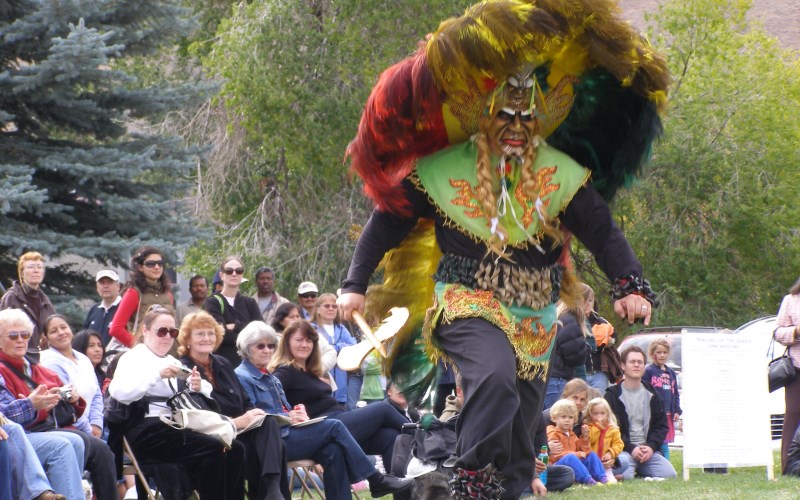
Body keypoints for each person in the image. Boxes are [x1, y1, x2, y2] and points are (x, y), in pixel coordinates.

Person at [336, 2, 667, 496]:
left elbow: (601, 228)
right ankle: (467, 476)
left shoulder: (559, 175)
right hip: (467, 302)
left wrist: (628, 284)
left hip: (535, 313)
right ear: (485, 114)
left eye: (525, 116)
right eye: (505, 115)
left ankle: (500, 487)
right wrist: (354, 284)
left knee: (520, 428)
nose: (515, 126)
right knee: (493, 378)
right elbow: (387, 222)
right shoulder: (443, 171)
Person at [234, 321, 414, 499]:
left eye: (271, 345)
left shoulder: (271, 377)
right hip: (273, 443)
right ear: (248, 348)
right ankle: (380, 475)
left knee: (339, 448)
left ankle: (400, 492)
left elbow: (284, 410)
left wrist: (297, 414)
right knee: (377, 410)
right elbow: (255, 417)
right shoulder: (248, 376)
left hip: (294, 432)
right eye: (260, 346)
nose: (267, 350)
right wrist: (289, 416)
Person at [108, 305, 244, 499]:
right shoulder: (133, 357)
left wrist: (197, 386)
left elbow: (207, 390)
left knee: (235, 449)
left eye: (172, 332)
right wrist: (157, 375)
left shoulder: (171, 360)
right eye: (162, 331)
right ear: (145, 331)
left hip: (174, 425)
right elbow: (119, 392)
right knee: (213, 449)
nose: (167, 337)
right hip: (144, 430)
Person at [0, 309, 118, 500]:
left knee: (80, 443)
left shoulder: (33, 366)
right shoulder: (5, 369)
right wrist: (32, 404)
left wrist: (69, 397)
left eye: (25, 335)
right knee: (64, 446)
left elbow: (91, 395)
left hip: (46, 429)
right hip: (23, 434)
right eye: (13, 336)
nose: (20, 340)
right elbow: (5, 418)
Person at [177, 312, 290, 500]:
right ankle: (272, 491)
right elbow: (199, 415)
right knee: (270, 446)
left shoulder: (223, 363)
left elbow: (244, 401)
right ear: (187, 339)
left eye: (211, 333)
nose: (207, 338)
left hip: (242, 431)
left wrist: (252, 414)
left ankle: (272, 489)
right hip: (215, 437)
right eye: (200, 334)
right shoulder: (183, 369)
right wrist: (236, 421)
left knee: (268, 424)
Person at [270, 321, 410, 468]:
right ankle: (421, 435)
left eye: (309, 340)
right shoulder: (285, 372)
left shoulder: (310, 371)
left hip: (340, 422)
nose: (304, 345)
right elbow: (269, 400)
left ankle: (402, 489)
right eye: (299, 340)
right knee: (383, 408)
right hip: (324, 428)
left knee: (389, 437)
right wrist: (289, 416)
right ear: (287, 343)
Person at [604, 346, 676, 480]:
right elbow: (610, 429)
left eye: (640, 362)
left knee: (670, 475)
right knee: (625, 476)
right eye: (632, 362)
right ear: (623, 366)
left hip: (647, 451)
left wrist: (651, 447)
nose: (636, 365)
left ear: (644, 366)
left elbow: (661, 427)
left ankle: (642, 469)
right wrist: (631, 448)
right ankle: (632, 470)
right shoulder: (611, 396)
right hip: (624, 450)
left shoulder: (654, 394)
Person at [39, 316, 104, 438]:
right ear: (47, 339)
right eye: (54, 331)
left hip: (91, 428)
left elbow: (96, 394)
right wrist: (88, 430)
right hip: (69, 429)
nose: (61, 333)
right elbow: (66, 404)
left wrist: (96, 424)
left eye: (64, 327)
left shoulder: (83, 359)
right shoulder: (50, 362)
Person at [107, 246, 175, 357]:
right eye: (150, 264)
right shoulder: (134, 293)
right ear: (140, 267)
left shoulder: (168, 294)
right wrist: (140, 348)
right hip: (143, 357)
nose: (157, 267)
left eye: (160, 263)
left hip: (167, 355)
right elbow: (116, 328)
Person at [204, 256, 261, 366]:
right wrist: (248, 333)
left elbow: (260, 334)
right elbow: (221, 336)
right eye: (229, 271)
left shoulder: (250, 303)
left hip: (250, 366)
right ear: (222, 275)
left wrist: (236, 326)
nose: (234, 274)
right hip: (223, 365)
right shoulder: (213, 302)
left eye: (238, 271)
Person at [0, 252, 56, 358]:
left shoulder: (46, 301)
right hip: (20, 357)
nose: (36, 271)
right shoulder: (11, 298)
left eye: (39, 267)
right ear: (21, 273)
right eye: (31, 267)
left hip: (44, 358)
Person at [1, 417, 71, 500]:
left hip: (29, 431)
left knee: (77, 442)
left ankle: (39, 492)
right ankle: (37, 493)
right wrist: (30, 405)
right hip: (20, 432)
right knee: (61, 447)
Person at [544, 287, 591, 409]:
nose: (589, 306)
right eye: (588, 301)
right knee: (558, 419)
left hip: (548, 377)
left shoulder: (558, 317)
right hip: (557, 380)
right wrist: (585, 348)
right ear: (581, 301)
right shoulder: (569, 320)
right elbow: (575, 356)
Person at [546, 399, 607, 485]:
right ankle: (588, 481)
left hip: (572, 463)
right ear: (554, 418)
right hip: (557, 465)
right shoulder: (552, 433)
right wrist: (577, 454)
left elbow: (585, 452)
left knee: (592, 454)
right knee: (571, 457)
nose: (567, 420)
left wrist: (585, 437)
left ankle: (603, 478)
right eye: (563, 417)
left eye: (570, 417)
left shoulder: (572, 434)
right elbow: (555, 455)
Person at [311, 293, 357, 406]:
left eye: (334, 306)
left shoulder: (341, 329)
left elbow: (354, 346)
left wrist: (334, 347)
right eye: (326, 306)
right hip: (320, 382)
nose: (331, 308)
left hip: (341, 385)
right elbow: (314, 349)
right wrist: (341, 347)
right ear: (318, 309)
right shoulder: (311, 328)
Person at [774, 275, 800, 474]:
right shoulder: (790, 300)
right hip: (797, 368)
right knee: (792, 414)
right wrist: (796, 331)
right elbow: (777, 333)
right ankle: (787, 466)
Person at [644, 338, 681, 459]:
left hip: (668, 413)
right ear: (652, 353)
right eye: (659, 352)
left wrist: (676, 410)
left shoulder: (671, 373)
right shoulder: (649, 371)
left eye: (664, 352)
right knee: (659, 440)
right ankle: (665, 463)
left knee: (665, 441)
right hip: (655, 413)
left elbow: (675, 393)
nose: (662, 355)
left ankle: (664, 462)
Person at [584, 397, 623, 483]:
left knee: (611, 482)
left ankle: (610, 476)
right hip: (592, 464)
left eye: (602, 413)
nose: (599, 416)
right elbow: (592, 440)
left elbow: (619, 445)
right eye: (595, 413)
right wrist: (598, 426)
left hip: (606, 464)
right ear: (590, 414)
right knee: (593, 479)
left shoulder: (613, 429)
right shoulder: (589, 427)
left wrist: (611, 453)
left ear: (607, 414)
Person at [82, 269, 121, 346]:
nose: (105, 286)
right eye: (102, 283)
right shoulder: (94, 309)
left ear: (118, 286)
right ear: (97, 287)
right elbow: (84, 336)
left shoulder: (125, 308)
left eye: (110, 282)